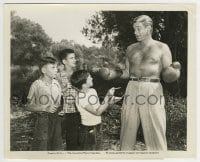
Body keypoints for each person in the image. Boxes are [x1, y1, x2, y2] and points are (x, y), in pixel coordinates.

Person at [98, 15, 181, 150]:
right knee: (127, 129)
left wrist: (174, 73)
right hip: (132, 87)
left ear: (148, 28)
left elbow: (167, 75)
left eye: (138, 29)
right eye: (134, 29)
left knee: (156, 130)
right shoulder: (131, 49)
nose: (135, 32)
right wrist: (112, 74)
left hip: (152, 88)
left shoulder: (162, 48)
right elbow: (126, 72)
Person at [70, 70, 121, 150]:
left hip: (98, 126)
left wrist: (111, 101)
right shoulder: (81, 98)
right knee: (89, 154)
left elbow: (99, 108)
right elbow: (97, 112)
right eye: (89, 77)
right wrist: (107, 96)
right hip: (88, 130)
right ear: (84, 82)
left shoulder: (92, 91)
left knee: (98, 150)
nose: (92, 78)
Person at [26, 56, 63, 151]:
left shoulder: (57, 84)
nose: (56, 70)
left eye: (56, 67)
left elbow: (58, 103)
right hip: (43, 121)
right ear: (43, 70)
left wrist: (60, 110)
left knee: (56, 147)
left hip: (56, 121)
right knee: (42, 147)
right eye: (53, 67)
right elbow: (27, 106)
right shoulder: (36, 84)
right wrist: (44, 108)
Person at [56, 48, 81, 150]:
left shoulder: (79, 75)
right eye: (71, 58)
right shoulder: (58, 76)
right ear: (64, 61)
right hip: (63, 114)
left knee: (77, 141)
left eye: (74, 57)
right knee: (61, 140)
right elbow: (55, 94)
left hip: (78, 111)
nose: (75, 60)